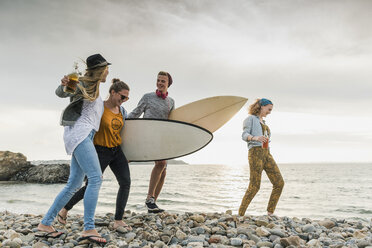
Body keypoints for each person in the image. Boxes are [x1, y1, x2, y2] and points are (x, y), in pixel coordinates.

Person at [37, 54, 110, 245]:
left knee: (73, 185)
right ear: (100, 70)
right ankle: (89, 228)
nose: (108, 72)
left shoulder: (96, 89)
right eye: (106, 69)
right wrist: (64, 85)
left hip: (85, 136)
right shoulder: (82, 83)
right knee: (95, 178)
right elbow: (61, 93)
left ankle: (45, 224)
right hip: (80, 134)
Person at [57, 78, 132, 231]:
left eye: (127, 98)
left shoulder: (122, 111)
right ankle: (65, 209)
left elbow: (126, 130)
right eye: (122, 97)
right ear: (112, 92)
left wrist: (130, 153)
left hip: (116, 150)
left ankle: (118, 220)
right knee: (92, 184)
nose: (124, 100)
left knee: (125, 182)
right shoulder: (99, 108)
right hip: (100, 150)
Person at [128, 71, 175, 213]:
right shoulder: (147, 97)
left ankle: (152, 202)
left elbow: (171, 122)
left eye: (163, 81)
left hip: (161, 137)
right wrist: (122, 122)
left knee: (163, 168)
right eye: (158, 80)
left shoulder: (171, 101)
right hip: (146, 134)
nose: (160, 83)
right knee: (159, 163)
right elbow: (136, 113)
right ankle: (149, 200)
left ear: (168, 84)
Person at [238, 98, 284, 216]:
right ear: (261, 107)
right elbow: (244, 135)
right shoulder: (250, 119)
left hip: (266, 153)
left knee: (279, 183)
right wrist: (255, 138)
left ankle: (270, 213)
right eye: (269, 109)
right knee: (254, 186)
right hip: (255, 153)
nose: (270, 112)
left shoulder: (264, 122)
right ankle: (240, 214)